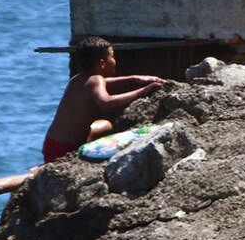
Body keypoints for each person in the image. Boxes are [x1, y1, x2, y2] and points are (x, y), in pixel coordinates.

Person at [44, 35, 172, 163]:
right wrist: (144, 91)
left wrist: (137, 79)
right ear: (102, 64)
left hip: (50, 143)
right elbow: (106, 103)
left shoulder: (77, 79)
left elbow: (109, 82)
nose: (114, 61)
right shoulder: (95, 80)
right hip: (66, 150)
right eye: (112, 56)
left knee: (105, 126)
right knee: (107, 126)